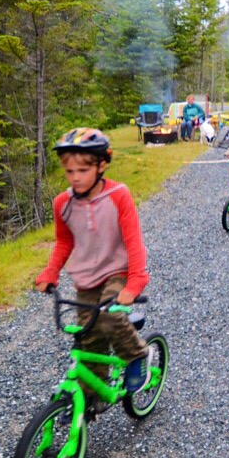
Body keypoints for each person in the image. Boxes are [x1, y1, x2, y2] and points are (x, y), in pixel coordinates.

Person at [34, 127, 154, 393]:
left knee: (109, 318)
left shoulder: (118, 196)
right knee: (88, 336)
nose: (75, 178)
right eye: (69, 172)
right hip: (86, 279)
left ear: (101, 166)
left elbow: (133, 241)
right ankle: (93, 395)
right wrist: (51, 272)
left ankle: (137, 355)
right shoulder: (62, 203)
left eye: (82, 171)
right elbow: (65, 241)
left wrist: (135, 283)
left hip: (118, 272)